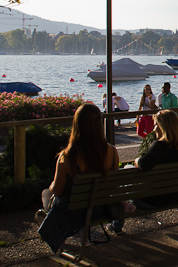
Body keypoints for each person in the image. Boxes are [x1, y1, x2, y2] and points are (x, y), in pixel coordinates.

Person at [36, 103, 120, 251]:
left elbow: (58, 190)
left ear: (77, 125)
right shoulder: (112, 152)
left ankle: (48, 224)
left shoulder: (68, 156)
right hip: (100, 209)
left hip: (73, 212)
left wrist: (51, 186)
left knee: (46, 193)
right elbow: (113, 184)